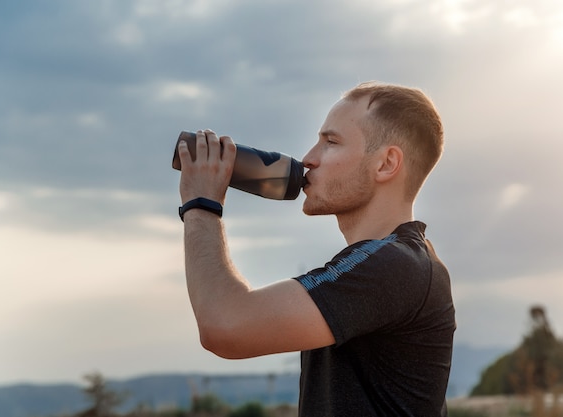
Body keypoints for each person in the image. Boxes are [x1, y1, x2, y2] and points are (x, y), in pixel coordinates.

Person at [176, 81, 456, 417]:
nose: (308, 159)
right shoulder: (388, 263)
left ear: (385, 164)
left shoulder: (395, 267)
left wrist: (201, 204)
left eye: (331, 142)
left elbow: (225, 326)